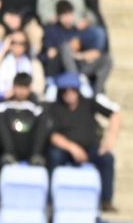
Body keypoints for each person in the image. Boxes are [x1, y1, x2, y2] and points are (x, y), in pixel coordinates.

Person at [45, 73, 121, 211]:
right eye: (65, 90)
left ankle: (106, 201)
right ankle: (51, 201)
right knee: (53, 156)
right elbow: (53, 135)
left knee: (107, 158)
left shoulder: (89, 103)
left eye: (73, 89)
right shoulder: (55, 108)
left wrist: (110, 140)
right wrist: (72, 148)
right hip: (66, 149)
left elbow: (115, 114)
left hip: (90, 147)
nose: (69, 93)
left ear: (78, 90)